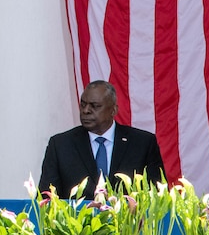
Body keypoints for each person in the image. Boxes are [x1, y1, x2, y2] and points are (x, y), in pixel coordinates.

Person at [37, 80, 166, 197]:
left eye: (95, 106)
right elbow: (45, 199)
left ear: (113, 110)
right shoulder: (60, 145)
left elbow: (157, 196)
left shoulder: (142, 144)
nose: (86, 110)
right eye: (83, 105)